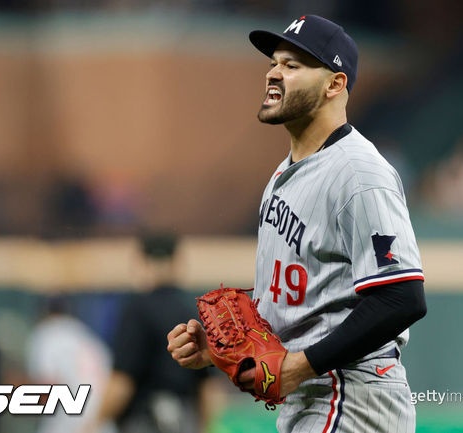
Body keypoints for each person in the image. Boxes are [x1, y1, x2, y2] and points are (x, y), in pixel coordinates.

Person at [167, 15, 427, 432]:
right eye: (274, 62)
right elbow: (298, 303)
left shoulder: (359, 174)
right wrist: (219, 353)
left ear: (334, 85)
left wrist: (297, 368)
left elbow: (401, 297)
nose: (273, 73)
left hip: (351, 396)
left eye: (293, 65)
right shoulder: (284, 175)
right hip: (315, 397)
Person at [97, 233, 219, 433]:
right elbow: (208, 386)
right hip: (185, 420)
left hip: (145, 421)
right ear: (176, 262)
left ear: (142, 262)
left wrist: (93, 423)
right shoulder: (193, 311)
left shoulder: (136, 310)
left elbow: (122, 382)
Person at [26, 296, 116, 433]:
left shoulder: (47, 334)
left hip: (70, 424)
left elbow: (47, 388)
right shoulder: (86, 335)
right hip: (102, 423)